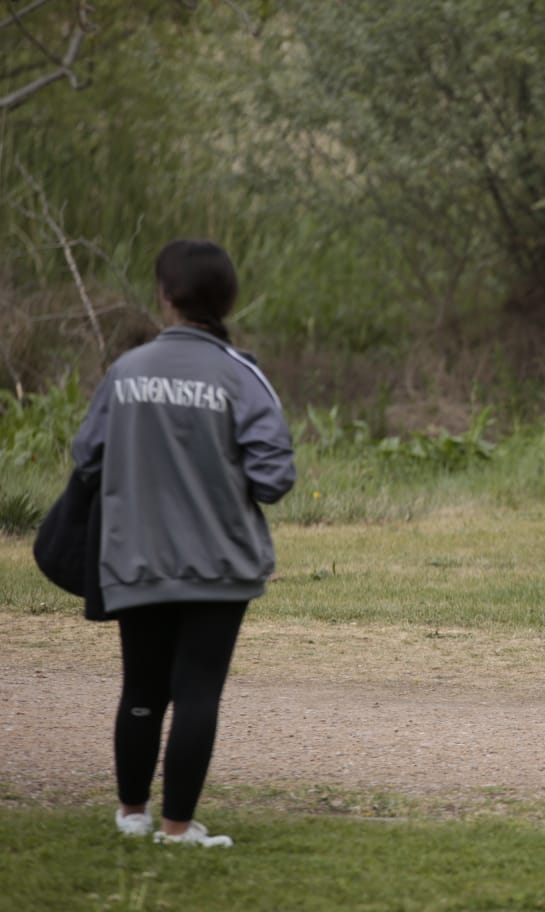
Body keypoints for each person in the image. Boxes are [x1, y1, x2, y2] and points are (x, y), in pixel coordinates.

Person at [71, 240, 296, 846]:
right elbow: (275, 478)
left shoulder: (126, 372)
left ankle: (131, 815)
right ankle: (177, 828)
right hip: (219, 566)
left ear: (164, 296)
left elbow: (86, 458)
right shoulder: (241, 375)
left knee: (141, 688)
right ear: (227, 300)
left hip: (135, 559)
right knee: (197, 692)